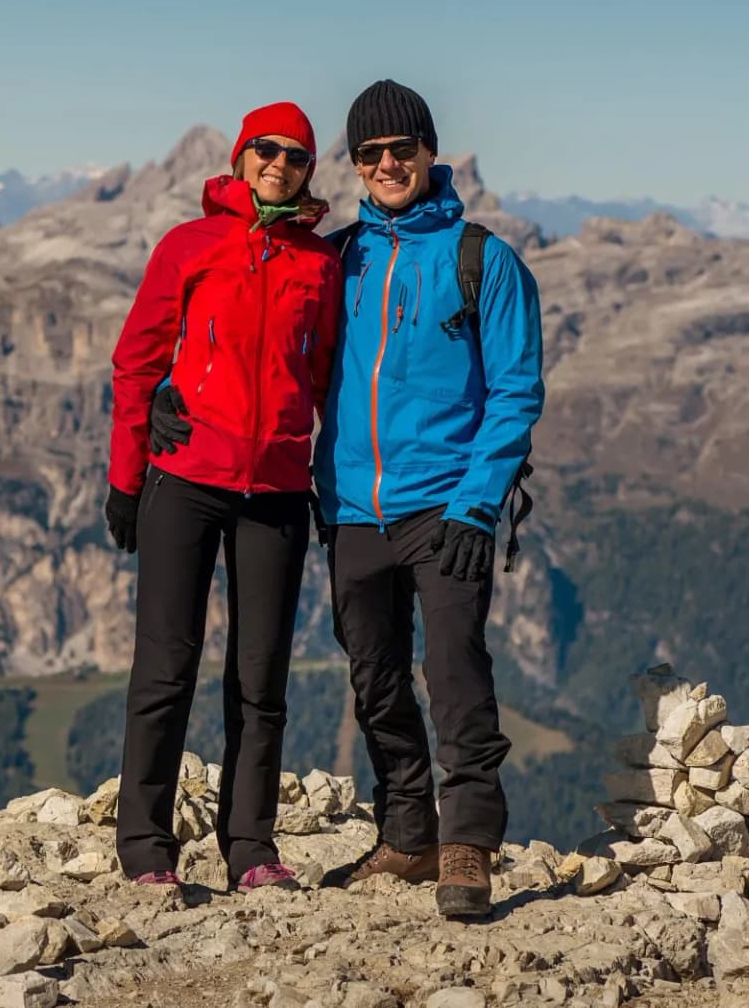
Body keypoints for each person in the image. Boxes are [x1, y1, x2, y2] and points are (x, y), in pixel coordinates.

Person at [314, 79, 544, 918]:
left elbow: (516, 391)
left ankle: (468, 844)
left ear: (427, 153)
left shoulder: (484, 259)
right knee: (374, 680)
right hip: (349, 509)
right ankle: (407, 837)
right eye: (368, 154)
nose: (385, 165)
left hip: (449, 505)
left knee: (454, 672)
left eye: (399, 150)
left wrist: (478, 501)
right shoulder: (340, 257)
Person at [104, 101, 343, 895]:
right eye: (265, 150)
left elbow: (327, 378)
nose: (279, 163)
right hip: (187, 480)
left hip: (274, 490)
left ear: (310, 171)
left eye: (296, 156)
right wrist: (125, 478)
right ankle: (145, 846)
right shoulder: (190, 245)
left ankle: (251, 849)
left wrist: (327, 480)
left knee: (259, 678)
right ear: (241, 158)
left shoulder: (319, 262)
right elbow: (137, 360)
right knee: (165, 668)